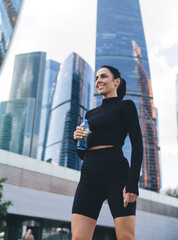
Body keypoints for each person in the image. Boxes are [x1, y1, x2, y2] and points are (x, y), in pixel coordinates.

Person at [72, 65, 143, 240]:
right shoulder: (90, 113)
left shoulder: (126, 106)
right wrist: (78, 140)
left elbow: (138, 144)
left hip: (117, 175)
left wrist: (132, 183)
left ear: (116, 81)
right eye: (96, 78)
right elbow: (83, 154)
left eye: (103, 76)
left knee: (126, 236)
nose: (98, 81)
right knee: (78, 237)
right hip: (89, 176)